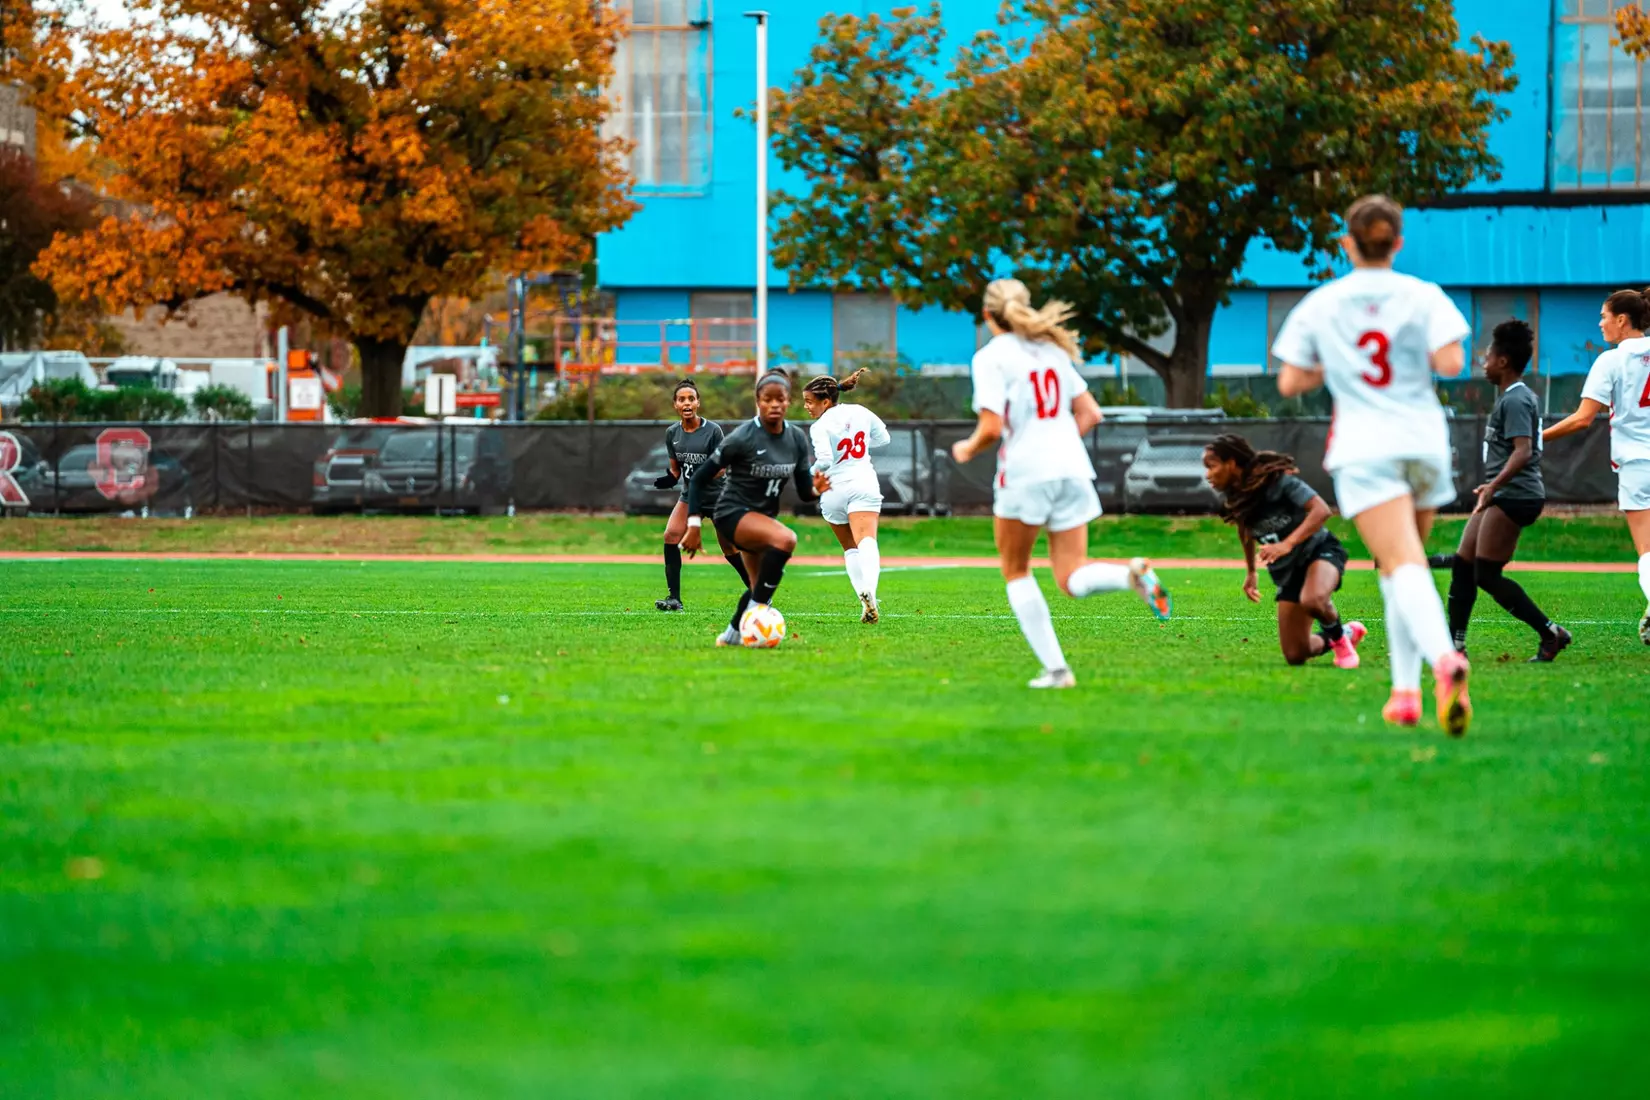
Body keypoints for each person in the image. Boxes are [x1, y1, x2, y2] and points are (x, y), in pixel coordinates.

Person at [1273, 195, 1473, 735]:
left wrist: (1335, 368)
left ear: (1347, 242)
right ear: (1397, 243)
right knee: (1398, 566)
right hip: (1424, 440)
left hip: (1367, 446)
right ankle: (1404, 695)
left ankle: (1443, 660)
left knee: (1401, 562)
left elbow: (1290, 381)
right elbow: (1451, 362)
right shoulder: (1423, 293)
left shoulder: (1323, 302)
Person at [951, 278, 1171, 690]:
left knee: (1016, 570)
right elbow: (1090, 413)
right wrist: (1060, 442)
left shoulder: (990, 357)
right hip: (1072, 468)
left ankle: (1058, 671)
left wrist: (966, 448)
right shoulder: (1052, 351)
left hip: (1025, 473)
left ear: (987, 314)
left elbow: (991, 426)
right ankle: (1131, 574)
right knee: (1070, 576)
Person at [1426, 321, 1569, 660]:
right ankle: (1455, 647)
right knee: (1464, 565)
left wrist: (1494, 484)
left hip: (1516, 495)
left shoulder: (1516, 399)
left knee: (1486, 574)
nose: (1483, 362)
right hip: (1504, 493)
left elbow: (1523, 451)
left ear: (1503, 361)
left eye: (1488, 356)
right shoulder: (1512, 397)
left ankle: (1551, 633)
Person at [1542, 287, 1650, 645]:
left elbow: (1582, 419)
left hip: (1637, 464)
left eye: (1604, 316)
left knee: (1646, 551)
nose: (1600, 323)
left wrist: (1538, 439)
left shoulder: (1611, 361)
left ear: (1622, 320)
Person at [1202, 434, 1366, 668]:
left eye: (1212, 466)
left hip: (1318, 551)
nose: (1208, 474)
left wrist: (1287, 544)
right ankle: (1344, 633)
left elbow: (1321, 510)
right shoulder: (1235, 496)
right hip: (1288, 571)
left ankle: (1342, 645)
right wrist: (1251, 571)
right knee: (1296, 654)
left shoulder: (1278, 481)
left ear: (1231, 463)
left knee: (1313, 599)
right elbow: (1245, 530)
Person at [684, 372, 819, 646]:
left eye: (780, 399)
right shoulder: (743, 437)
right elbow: (699, 478)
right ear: (758, 401)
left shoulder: (796, 439)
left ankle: (731, 636)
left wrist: (818, 489)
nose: (774, 405)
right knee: (786, 539)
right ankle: (756, 615)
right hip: (732, 513)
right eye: (767, 399)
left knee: (760, 588)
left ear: (788, 401)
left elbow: (805, 494)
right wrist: (694, 525)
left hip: (762, 518)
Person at [654, 380, 750, 612]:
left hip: (717, 495)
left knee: (729, 548)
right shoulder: (672, 433)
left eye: (691, 399)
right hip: (689, 496)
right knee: (670, 535)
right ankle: (674, 599)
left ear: (698, 402)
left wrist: (699, 479)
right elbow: (676, 468)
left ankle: (759, 592)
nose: (687, 403)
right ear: (675, 405)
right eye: (681, 399)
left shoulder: (712, 430)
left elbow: (720, 468)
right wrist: (670, 478)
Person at [802, 368, 889, 623]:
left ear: (825, 402)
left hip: (834, 489)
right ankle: (870, 593)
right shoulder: (861, 411)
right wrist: (857, 444)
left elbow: (825, 461)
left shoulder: (819, 426)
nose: (806, 407)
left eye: (809, 401)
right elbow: (884, 439)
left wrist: (809, 472)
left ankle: (864, 600)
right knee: (867, 541)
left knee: (850, 547)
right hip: (863, 481)